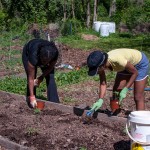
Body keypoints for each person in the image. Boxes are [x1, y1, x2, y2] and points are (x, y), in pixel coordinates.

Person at [87, 48, 149, 113]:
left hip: (140, 63)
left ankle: (140, 119)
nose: (97, 72)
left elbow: (135, 73)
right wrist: (100, 99)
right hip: (126, 64)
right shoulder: (102, 64)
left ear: (102, 66)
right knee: (116, 92)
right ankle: (114, 114)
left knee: (138, 96)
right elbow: (103, 84)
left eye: (97, 70)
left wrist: (126, 89)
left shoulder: (118, 61)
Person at [22, 38, 59, 108]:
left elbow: (50, 68)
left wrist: (41, 78)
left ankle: (54, 103)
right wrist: (32, 97)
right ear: (40, 57)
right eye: (44, 61)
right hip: (28, 51)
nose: (45, 63)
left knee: (50, 76)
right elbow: (30, 78)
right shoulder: (34, 56)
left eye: (48, 61)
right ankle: (31, 100)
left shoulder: (54, 53)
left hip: (45, 53)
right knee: (32, 76)